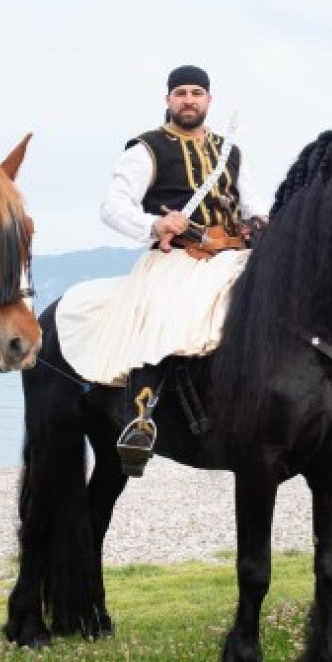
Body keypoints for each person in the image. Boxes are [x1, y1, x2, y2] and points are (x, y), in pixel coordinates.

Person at [55, 65, 265, 474]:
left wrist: (259, 223)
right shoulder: (148, 149)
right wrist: (154, 224)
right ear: (168, 99)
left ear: (209, 100)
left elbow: (254, 204)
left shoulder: (230, 151)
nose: (189, 99)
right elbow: (113, 207)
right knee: (169, 309)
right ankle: (142, 416)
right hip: (178, 257)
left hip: (235, 252)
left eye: (197, 92)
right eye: (181, 92)